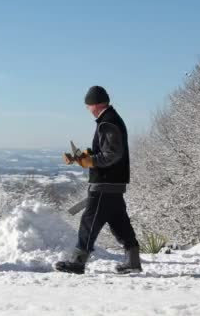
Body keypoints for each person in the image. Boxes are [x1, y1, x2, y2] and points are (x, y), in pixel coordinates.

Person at [56, 86, 142, 274]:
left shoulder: (108, 122)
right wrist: (80, 157)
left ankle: (78, 262)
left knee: (89, 220)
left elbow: (112, 153)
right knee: (119, 221)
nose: (88, 110)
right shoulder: (110, 120)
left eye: (88, 106)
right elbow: (107, 150)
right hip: (114, 183)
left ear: (94, 104)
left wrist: (90, 160)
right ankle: (133, 260)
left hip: (104, 182)